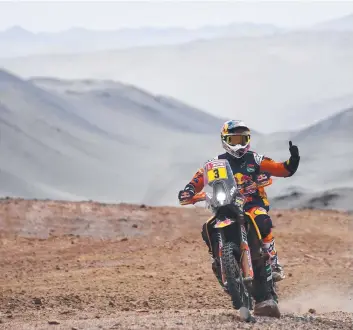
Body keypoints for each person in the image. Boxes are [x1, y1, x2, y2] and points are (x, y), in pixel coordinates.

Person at [178, 120, 300, 312]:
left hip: (252, 204)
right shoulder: (215, 163)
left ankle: (274, 263)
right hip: (224, 205)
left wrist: (292, 162)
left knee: (263, 222)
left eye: (242, 139)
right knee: (205, 229)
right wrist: (189, 190)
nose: (238, 144)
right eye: (233, 140)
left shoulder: (256, 160)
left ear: (248, 140)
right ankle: (219, 260)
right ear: (225, 140)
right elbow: (198, 178)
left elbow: (280, 169)